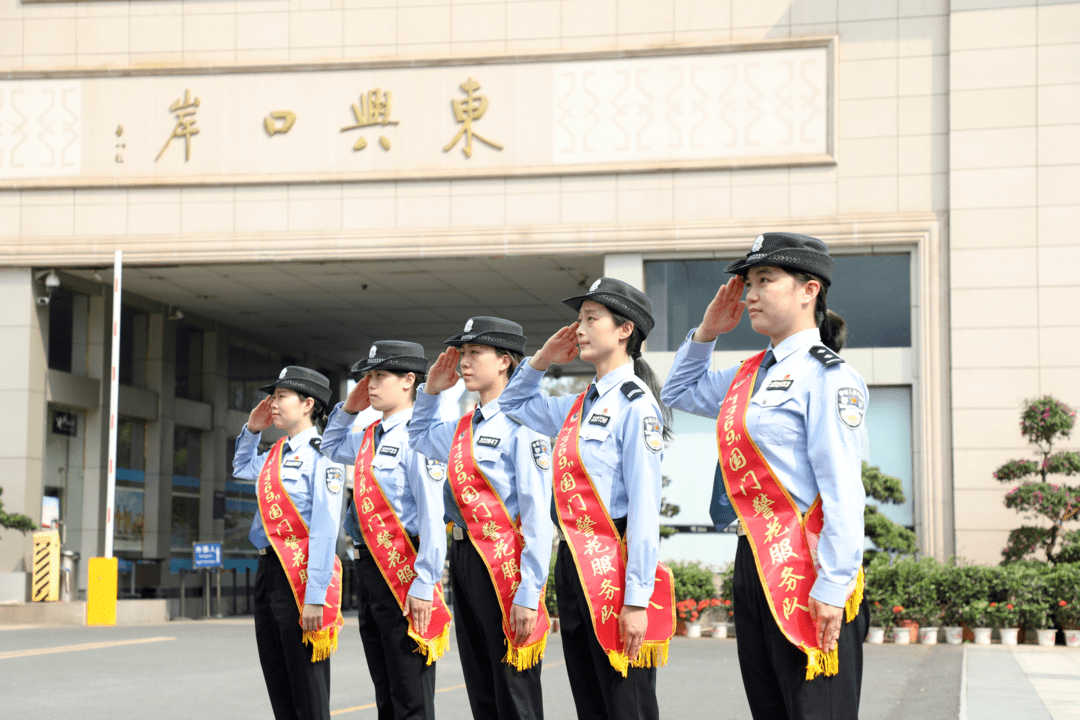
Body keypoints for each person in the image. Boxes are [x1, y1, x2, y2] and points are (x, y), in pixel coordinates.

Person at [660, 232, 870, 720]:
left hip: (808, 566)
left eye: (764, 280)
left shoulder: (828, 376)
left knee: (816, 708)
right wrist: (707, 331)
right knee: (769, 706)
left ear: (808, 290)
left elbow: (843, 491)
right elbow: (678, 390)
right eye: (748, 282)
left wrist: (833, 587)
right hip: (754, 558)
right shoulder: (747, 373)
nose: (749, 294)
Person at [499, 278, 675, 720]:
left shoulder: (636, 405)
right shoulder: (578, 406)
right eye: (578, 319)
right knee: (590, 701)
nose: (578, 328)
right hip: (574, 564)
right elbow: (515, 404)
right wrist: (541, 360)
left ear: (624, 330)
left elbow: (644, 508)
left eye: (590, 319)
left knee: (625, 702)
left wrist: (637, 599)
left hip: (614, 566)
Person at [409, 316, 553, 720]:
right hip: (467, 559)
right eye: (463, 353)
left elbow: (538, 515)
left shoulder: (525, 425)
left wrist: (529, 592)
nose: (464, 363)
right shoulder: (459, 430)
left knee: (513, 688)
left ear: (505, 361)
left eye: (476, 353)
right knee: (481, 684)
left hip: (505, 565)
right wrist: (432, 391)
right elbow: (419, 437)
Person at [319, 341, 449, 720]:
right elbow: (329, 445)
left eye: (379, 376)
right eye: (368, 376)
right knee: (385, 687)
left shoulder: (420, 437)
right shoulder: (368, 435)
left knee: (410, 691)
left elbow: (431, 517)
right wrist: (349, 407)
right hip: (369, 569)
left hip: (404, 572)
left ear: (409, 381)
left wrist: (425, 583)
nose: (370, 384)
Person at [233, 366, 347, 720]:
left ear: (308, 403)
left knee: (306, 685)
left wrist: (316, 595)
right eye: (274, 396)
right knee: (277, 674)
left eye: (282, 396)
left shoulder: (325, 455)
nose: (274, 403)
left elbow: (326, 531)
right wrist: (252, 429)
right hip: (269, 568)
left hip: (300, 576)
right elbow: (240, 468)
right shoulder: (275, 453)